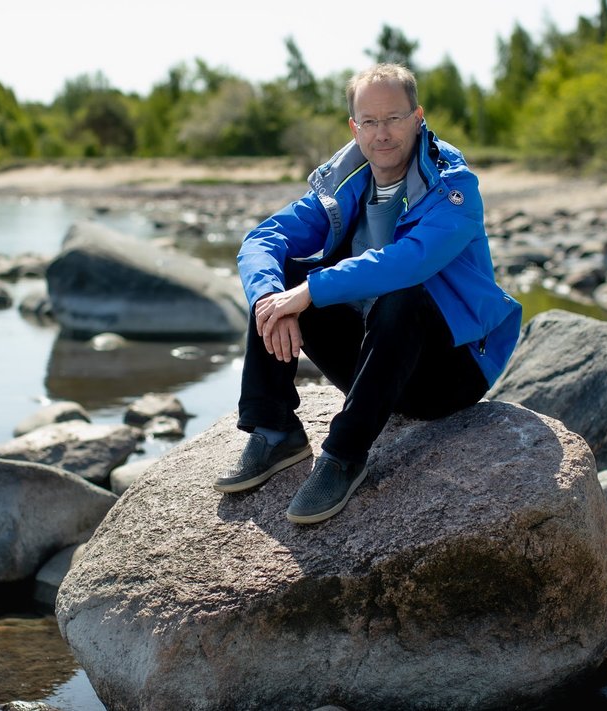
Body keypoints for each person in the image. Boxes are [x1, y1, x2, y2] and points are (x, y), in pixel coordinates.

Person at [213, 63, 522, 525]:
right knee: (280, 282)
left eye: (394, 118)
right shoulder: (344, 183)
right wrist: (269, 300)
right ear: (354, 128)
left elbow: (410, 260)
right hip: (375, 363)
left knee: (400, 294)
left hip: (450, 372)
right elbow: (262, 239)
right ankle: (275, 429)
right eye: (370, 122)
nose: (382, 133)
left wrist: (311, 291)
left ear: (418, 118)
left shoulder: (452, 187)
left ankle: (343, 456)